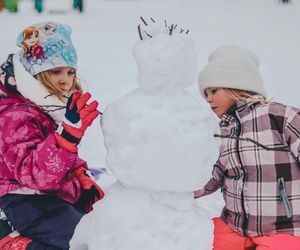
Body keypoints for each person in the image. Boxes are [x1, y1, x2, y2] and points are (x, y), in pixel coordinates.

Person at [0, 22, 104, 250]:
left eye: (70, 71)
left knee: (100, 228)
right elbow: (33, 174)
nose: (65, 79)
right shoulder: (14, 115)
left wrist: (79, 173)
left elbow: (51, 157)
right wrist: (66, 138)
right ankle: (16, 244)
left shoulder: (43, 107)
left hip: (47, 195)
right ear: (34, 73)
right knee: (82, 241)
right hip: (20, 201)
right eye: (55, 71)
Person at [194, 45, 300, 250]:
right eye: (205, 93)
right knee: (196, 239)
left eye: (213, 90)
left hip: (285, 228)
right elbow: (209, 177)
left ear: (236, 85)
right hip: (235, 227)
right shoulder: (220, 132)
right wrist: (169, 187)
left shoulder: (280, 117)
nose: (208, 99)